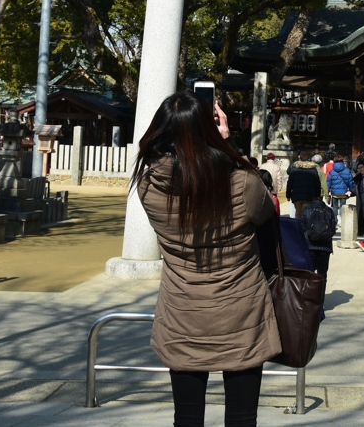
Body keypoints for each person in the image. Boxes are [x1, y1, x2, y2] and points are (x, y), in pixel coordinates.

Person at [133, 91, 281, 427]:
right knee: (242, 418)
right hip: (241, 311)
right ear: (211, 130)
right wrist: (227, 144)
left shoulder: (148, 185)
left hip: (183, 311)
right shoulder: (241, 180)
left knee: (186, 417)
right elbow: (264, 211)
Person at [300, 196, 337, 291]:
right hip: (325, 247)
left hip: (309, 246)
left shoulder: (306, 210)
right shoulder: (329, 211)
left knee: (309, 274)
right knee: (322, 274)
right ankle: (320, 301)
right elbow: (332, 229)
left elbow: (302, 229)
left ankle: (309, 298)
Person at [286, 150, 322, 217]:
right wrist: (317, 195)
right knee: (307, 214)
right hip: (309, 195)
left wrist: (288, 195)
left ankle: (297, 226)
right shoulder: (313, 170)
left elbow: (290, 183)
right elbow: (317, 183)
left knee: (298, 213)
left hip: (297, 195)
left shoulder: (294, 169)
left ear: (300, 157)